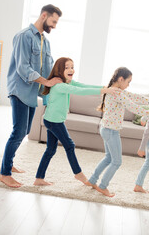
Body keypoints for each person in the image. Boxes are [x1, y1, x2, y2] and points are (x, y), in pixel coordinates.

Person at [0, 4, 63, 188]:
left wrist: (58, 81)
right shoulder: (23, 36)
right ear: (44, 15)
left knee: (25, 131)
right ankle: (4, 173)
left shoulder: (46, 41)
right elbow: (23, 68)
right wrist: (47, 82)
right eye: (53, 21)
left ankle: (8, 164)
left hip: (33, 93)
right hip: (19, 89)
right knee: (18, 131)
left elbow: (47, 68)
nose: (55, 26)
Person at [34, 57, 118, 186]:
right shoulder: (60, 86)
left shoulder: (67, 83)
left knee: (50, 150)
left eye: (72, 67)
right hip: (53, 122)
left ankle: (39, 178)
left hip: (52, 120)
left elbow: (83, 86)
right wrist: (105, 91)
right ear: (59, 70)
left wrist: (104, 87)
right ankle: (78, 174)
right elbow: (81, 91)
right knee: (69, 145)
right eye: (67, 67)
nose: (71, 69)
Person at [86, 67, 149, 197]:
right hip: (111, 131)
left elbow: (135, 97)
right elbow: (132, 106)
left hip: (105, 128)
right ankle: (102, 186)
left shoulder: (115, 90)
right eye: (128, 82)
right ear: (121, 79)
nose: (128, 85)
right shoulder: (116, 93)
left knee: (108, 158)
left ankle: (92, 180)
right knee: (116, 161)